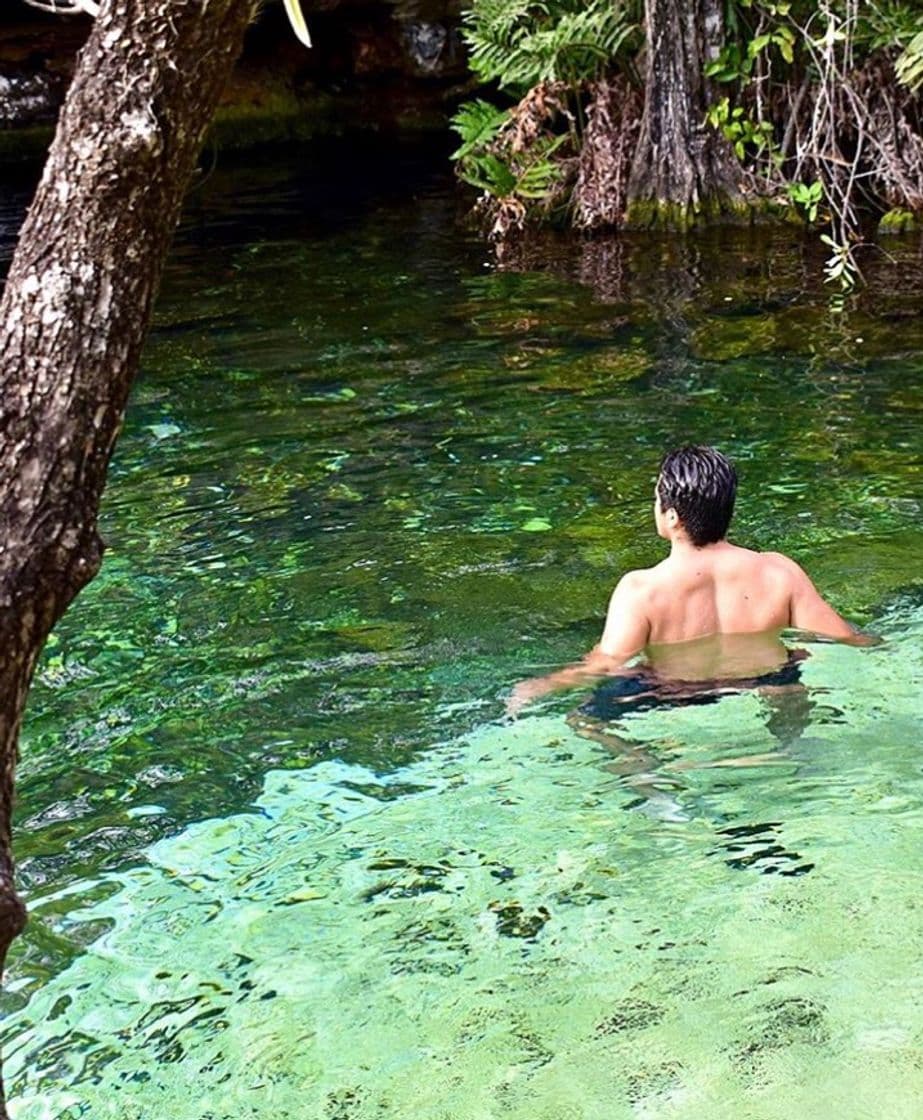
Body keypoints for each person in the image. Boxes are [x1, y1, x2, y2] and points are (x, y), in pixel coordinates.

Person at [508, 445, 872, 716]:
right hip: (764, 678)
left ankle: (646, 775)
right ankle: (792, 747)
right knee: (788, 676)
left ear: (670, 517)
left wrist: (541, 685)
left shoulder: (641, 590)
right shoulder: (779, 572)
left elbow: (606, 663)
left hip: (672, 689)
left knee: (583, 721)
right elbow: (844, 637)